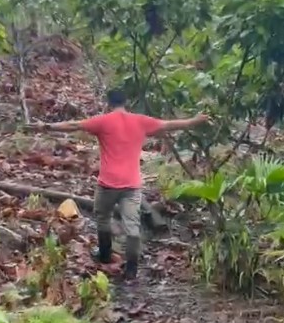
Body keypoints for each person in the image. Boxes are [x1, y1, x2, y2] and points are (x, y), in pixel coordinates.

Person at [31, 89, 211, 280]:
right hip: (131, 186)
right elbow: (168, 125)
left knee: (102, 219)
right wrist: (194, 121)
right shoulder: (140, 121)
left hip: (107, 184)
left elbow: (74, 125)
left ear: (109, 103)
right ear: (126, 103)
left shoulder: (103, 121)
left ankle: (105, 255)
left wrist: (46, 126)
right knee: (132, 227)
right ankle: (132, 270)